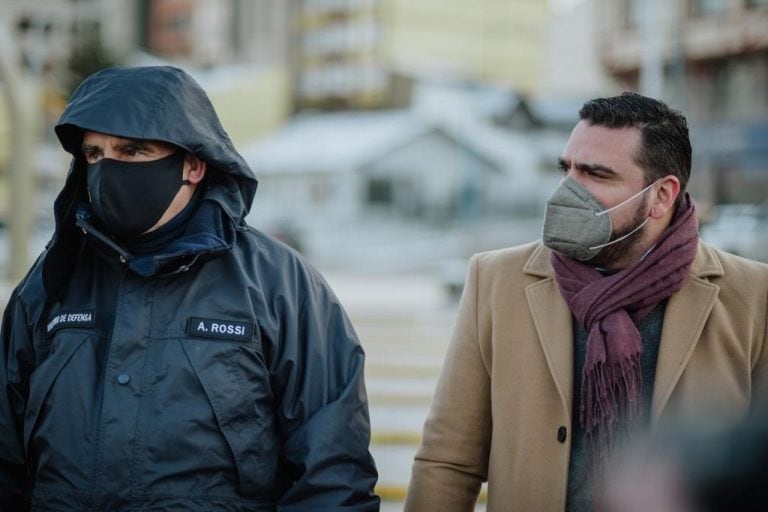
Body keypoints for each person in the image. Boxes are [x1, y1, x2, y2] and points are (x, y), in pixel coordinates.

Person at [0, 66, 380, 511]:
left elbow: (332, 475)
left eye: (132, 150)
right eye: (95, 153)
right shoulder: (52, 280)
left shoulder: (281, 286)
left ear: (194, 164)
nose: (108, 168)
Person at [404, 92, 768, 512]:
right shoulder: (495, 280)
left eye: (596, 174)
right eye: (567, 169)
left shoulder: (753, 296)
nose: (568, 190)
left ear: (662, 196)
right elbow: (448, 461)